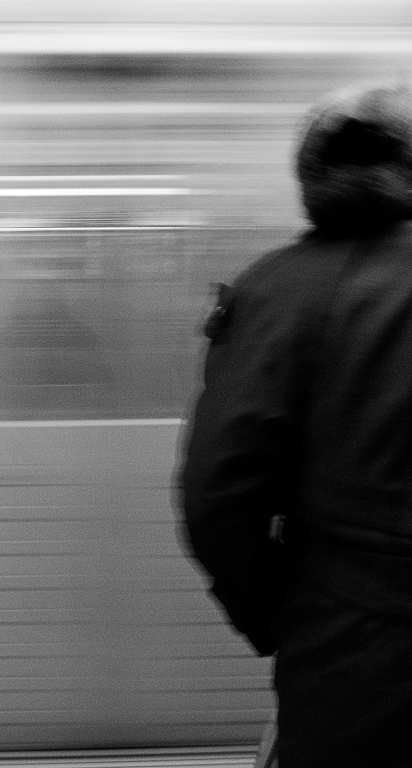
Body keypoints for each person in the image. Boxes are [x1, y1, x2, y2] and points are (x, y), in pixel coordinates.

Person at [180, 80, 412, 768]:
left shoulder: (275, 290)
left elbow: (216, 495)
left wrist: (276, 610)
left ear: (309, 180)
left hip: (352, 652)